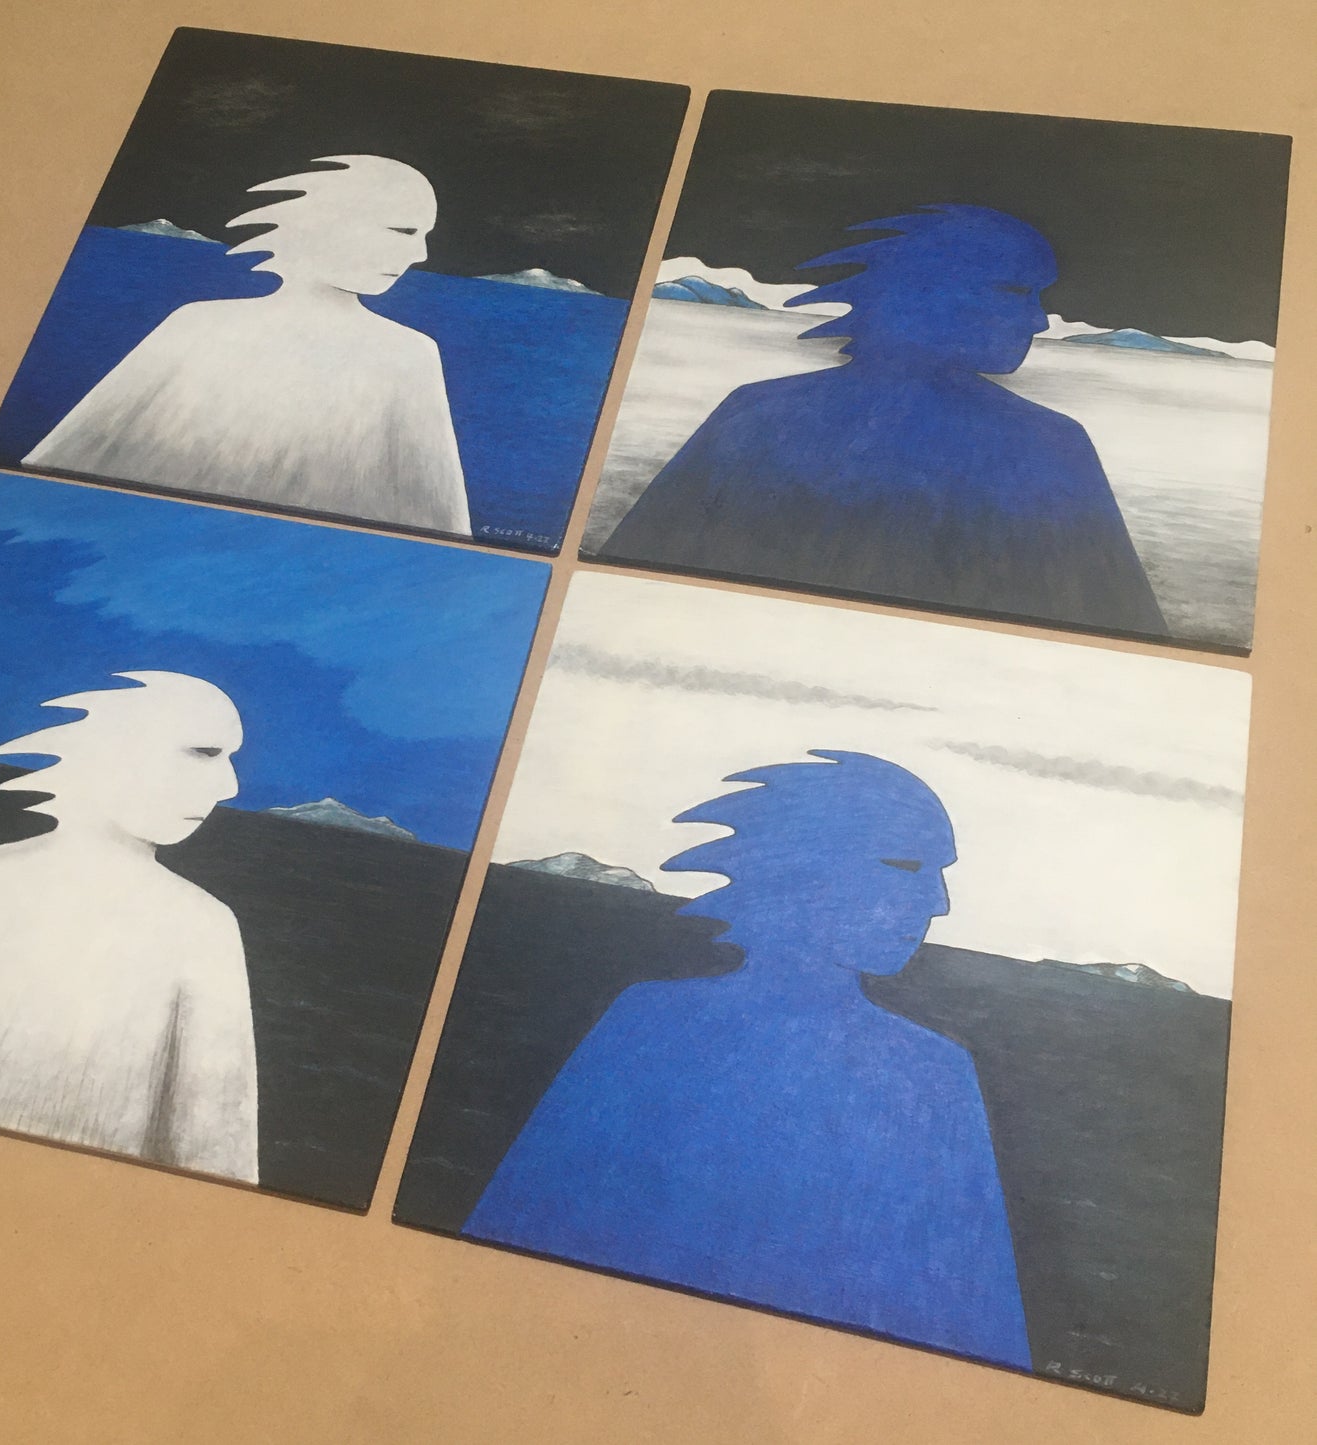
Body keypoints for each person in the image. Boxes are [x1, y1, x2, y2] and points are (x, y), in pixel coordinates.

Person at [464, 751, 1032, 1370]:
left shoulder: (936, 1075)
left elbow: (981, 1327)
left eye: (939, 873)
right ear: (801, 867)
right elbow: (512, 1246)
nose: (938, 902)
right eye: (904, 865)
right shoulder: (650, 1024)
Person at [598, 205, 1167, 637]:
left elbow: (622, 588)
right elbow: (1126, 631)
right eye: (1016, 292)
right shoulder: (1049, 446)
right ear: (929, 291)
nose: (1039, 321)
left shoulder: (754, 411)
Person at [0, 671, 260, 1183]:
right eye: (204, 752)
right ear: (117, 751)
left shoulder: (204, 928)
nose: (229, 787)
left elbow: (216, 1159)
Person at [25, 155, 471, 537]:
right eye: (403, 230)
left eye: (424, 234)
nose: (421, 254)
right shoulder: (196, 324)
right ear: (327, 223)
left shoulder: (409, 355)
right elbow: (52, 467)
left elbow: (443, 528)